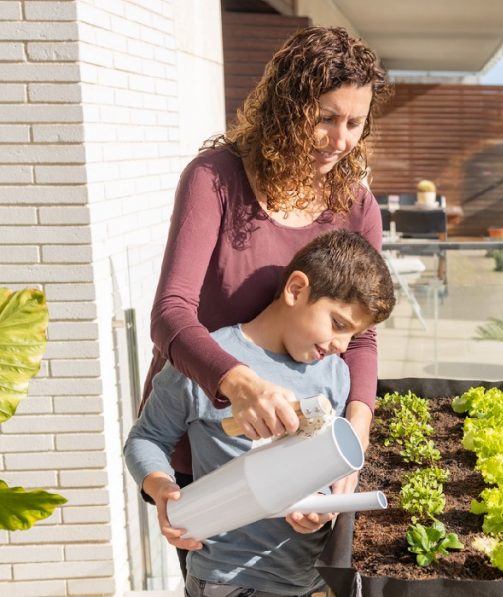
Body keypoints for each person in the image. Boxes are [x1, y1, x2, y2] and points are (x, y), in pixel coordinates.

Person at [145, 26, 390, 502]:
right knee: (212, 574)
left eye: (355, 123)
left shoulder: (357, 208)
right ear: (287, 106)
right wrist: (239, 384)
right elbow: (170, 314)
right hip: (207, 438)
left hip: (301, 447)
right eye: (325, 118)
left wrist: (356, 430)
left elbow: (362, 338)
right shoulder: (215, 179)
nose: (340, 140)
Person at [125, 230, 396, 597]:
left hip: (313, 582)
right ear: (296, 290)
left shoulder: (335, 373)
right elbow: (146, 437)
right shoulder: (209, 361)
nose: (342, 345)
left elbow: (325, 464)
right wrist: (161, 488)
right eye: (338, 324)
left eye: (353, 335)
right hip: (231, 579)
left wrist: (322, 509)